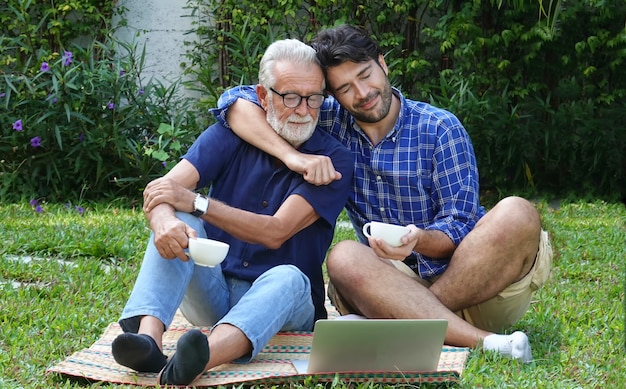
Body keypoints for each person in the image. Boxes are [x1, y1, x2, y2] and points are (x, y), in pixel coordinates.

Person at [213, 25, 552, 363]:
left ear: (383, 64)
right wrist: (293, 157)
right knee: (343, 256)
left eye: (365, 75)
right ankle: (485, 342)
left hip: (475, 281)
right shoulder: (327, 120)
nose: (361, 92)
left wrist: (418, 239)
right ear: (331, 95)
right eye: (345, 88)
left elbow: (461, 225)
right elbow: (233, 101)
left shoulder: (438, 127)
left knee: (517, 212)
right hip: (389, 283)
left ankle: (407, 325)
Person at [110, 38, 352, 386]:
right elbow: (162, 189)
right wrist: (163, 220)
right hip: (216, 290)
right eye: (290, 97)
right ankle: (148, 342)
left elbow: (275, 232)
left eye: (314, 97)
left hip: (284, 305)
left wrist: (196, 202)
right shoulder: (230, 135)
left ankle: (202, 356)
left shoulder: (333, 161)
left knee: (290, 276)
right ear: (263, 96)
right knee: (180, 221)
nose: (303, 109)